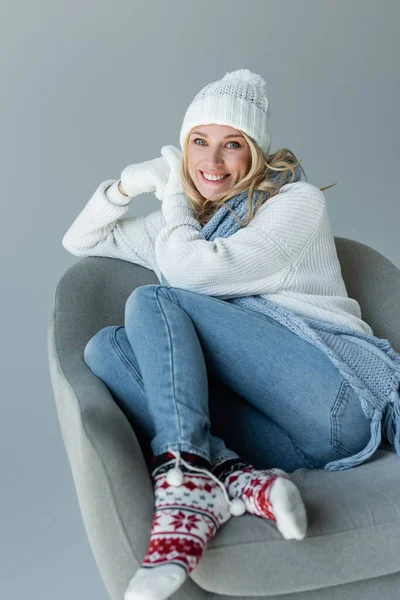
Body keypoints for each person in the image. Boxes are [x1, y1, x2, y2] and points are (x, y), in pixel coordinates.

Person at [62, 69, 385, 600]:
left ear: (255, 153)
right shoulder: (183, 230)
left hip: (337, 400)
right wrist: (130, 184)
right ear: (183, 148)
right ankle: (234, 475)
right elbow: (80, 239)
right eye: (198, 143)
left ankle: (186, 477)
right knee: (105, 349)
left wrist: (171, 204)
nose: (211, 162)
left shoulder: (295, 205)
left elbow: (190, 271)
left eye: (231, 145)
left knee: (152, 299)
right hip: (284, 439)